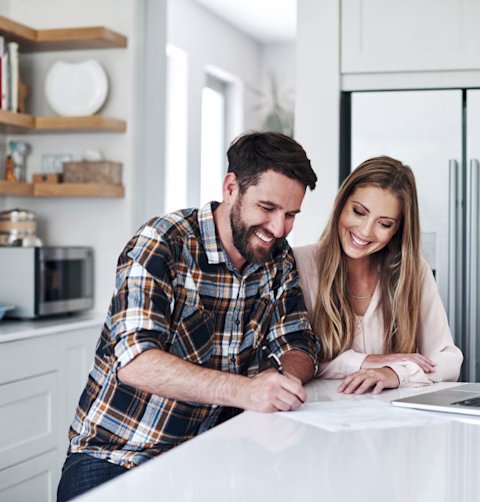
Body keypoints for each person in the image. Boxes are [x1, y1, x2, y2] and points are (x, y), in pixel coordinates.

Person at [57, 131, 320, 501]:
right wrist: (245, 390)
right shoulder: (162, 242)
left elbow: (299, 343)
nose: (279, 228)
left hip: (213, 454)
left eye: (291, 214)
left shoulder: (278, 256)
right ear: (232, 188)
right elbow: (135, 361)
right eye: (268, 208)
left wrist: (281, 381)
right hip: (119, 455)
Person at [294, 156, 463, 395]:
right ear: (341, 203)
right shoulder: (298, 264)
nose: (365, 231)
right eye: (359, 212)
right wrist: (364, 361)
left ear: (397, 230)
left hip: (391, 422)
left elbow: (449, 359)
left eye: (384, 224)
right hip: (315, 418)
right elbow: (289, 362)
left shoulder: (414, 271)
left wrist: (395, 373)